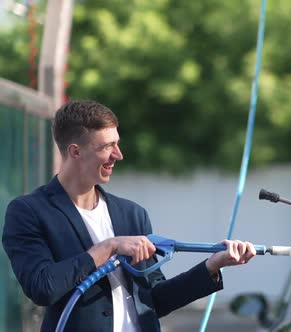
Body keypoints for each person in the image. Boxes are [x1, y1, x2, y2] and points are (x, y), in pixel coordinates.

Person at [2, 100, 258, 332]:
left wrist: (213, 265)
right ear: (75, 151)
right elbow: (42, 287)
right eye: (107, 146)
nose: (118, 155)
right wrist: (109, 247)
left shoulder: (132, 214)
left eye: (117, 143)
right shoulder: (28, 211)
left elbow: (155, 300)